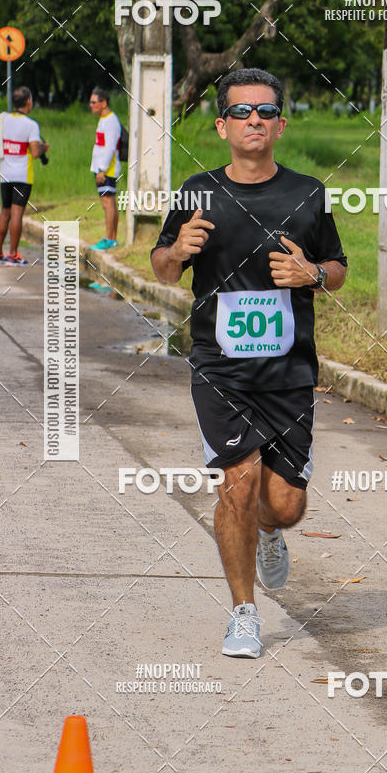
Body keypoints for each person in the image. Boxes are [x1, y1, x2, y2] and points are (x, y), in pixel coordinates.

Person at [151, 68, 347, 658]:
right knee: (237, 486)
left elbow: (336, 267)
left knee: (284, 505)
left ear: (280, 124)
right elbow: (161, 266)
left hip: (288, 369)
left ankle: (269, 534)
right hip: (221, 366)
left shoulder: (309, 193)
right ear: (222, 125)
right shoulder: (196, 192)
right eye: (241, 112)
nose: (253, 120)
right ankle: (243, 613)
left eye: (264, 111)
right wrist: (177, 251)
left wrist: (311, 274)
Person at [0, 86, 49, 266]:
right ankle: (13, 255)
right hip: (23, 176)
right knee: (17, 214)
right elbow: (36, 153)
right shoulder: (31, 125)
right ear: (28, 102)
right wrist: (44, 148)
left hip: (6, 174)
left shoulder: (3, 120)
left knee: (4, 212)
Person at [89, 87, 121, 250]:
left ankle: (109, 239)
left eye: (94, 102)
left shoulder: (110, 121)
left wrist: (101, 169)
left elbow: (110, 148)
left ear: (103, 103)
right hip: (103, 168)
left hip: (107, 169)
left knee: (108, 203)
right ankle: (112, 238)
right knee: (108, 203)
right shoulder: (104, 120)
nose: (91, 105)